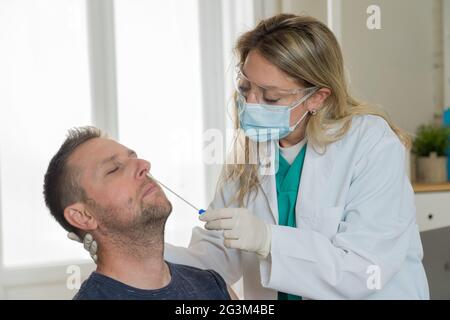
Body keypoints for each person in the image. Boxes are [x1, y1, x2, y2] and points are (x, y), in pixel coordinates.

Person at [74, 14, 429, 299]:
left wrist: (268, 239)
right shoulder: (248, 157)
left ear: (318, 97)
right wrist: (122, 245)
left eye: (271, 97)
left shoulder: (368, 143)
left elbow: (364, 270)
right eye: (245, 89)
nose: (252, 105)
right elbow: (212, 261)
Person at [43, 126, 234, 300]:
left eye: (135, 157)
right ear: (83, 216)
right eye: (114, 169)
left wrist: (265, 242)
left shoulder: (213, 286)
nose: (144, 164)